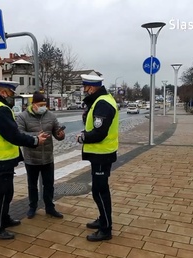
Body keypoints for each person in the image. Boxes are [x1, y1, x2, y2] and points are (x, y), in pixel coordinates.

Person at [0, 80, 50, 240]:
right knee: (2, 194)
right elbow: (13, 135)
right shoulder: (0, 109)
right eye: (11, 94)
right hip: (0, 158)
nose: (12, 98)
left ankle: (5, 218)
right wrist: (35, 141)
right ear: (4, 93)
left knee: (7, 192)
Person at [76, 74, 119, 242]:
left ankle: (106, 228)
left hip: (102, 154)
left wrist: (82, 137)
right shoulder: (100, 101)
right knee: (98, 190)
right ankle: (102, 219)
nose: (85, 91)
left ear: (91, 88)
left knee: (100, 191)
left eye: (85, 88)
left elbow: (99, 132)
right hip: (100, 153)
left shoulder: (103, 104)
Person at [16, 91, 66, 219]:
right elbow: (19, 134)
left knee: (49, 184)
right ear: (33, 104)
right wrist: (36, 137)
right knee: (32, 185)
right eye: (40, 104)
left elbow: (57, 131)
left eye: (45, 104)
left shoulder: (51, 116)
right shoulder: (22, 116)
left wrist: (60, 135)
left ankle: (50, 207)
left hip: (47, 157)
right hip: (31, 158)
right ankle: (32, 207)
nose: (43, 107)